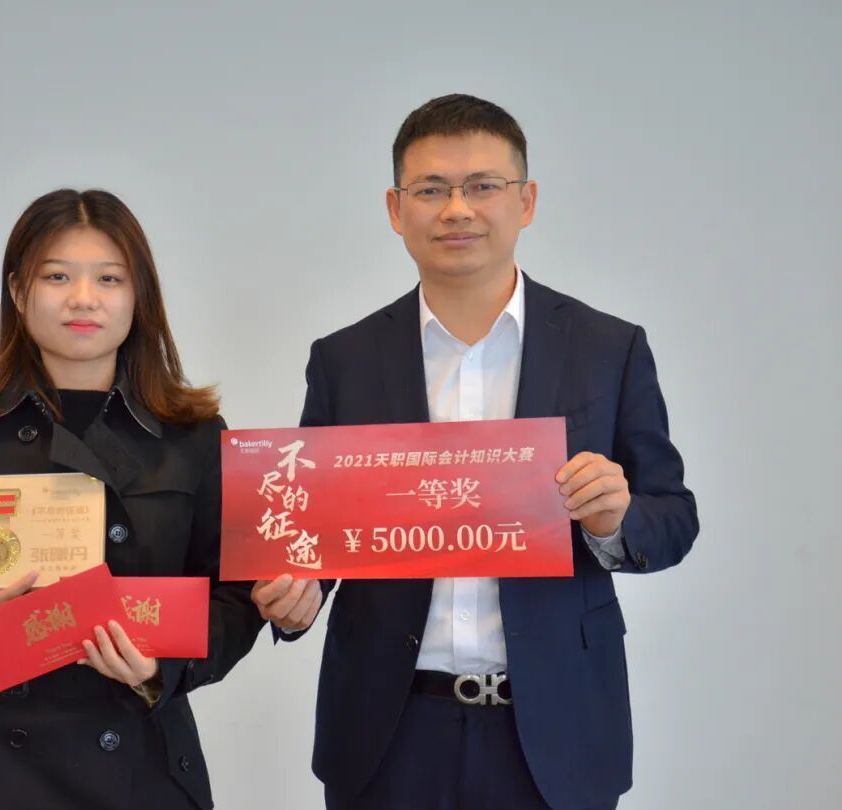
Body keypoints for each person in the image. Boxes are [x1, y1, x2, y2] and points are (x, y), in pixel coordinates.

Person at [251, 94, 699, 809]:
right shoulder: (345, 360)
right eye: (431, 189)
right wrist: (295, 596)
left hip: (556, 730)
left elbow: (673, 518)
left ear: (526, 201)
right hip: (387, 732)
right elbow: (319, 530)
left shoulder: (607, 348)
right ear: (396, 210)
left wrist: (615, 520)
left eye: (483, 185)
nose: (457, 209)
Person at [0, 188, 264, 810]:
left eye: (109, 278)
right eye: (56, 276)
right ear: (18, 291)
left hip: (140, 761)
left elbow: (237, 592)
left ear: (139, 296)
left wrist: (159, 670)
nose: (83, 298)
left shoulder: (194, 436)